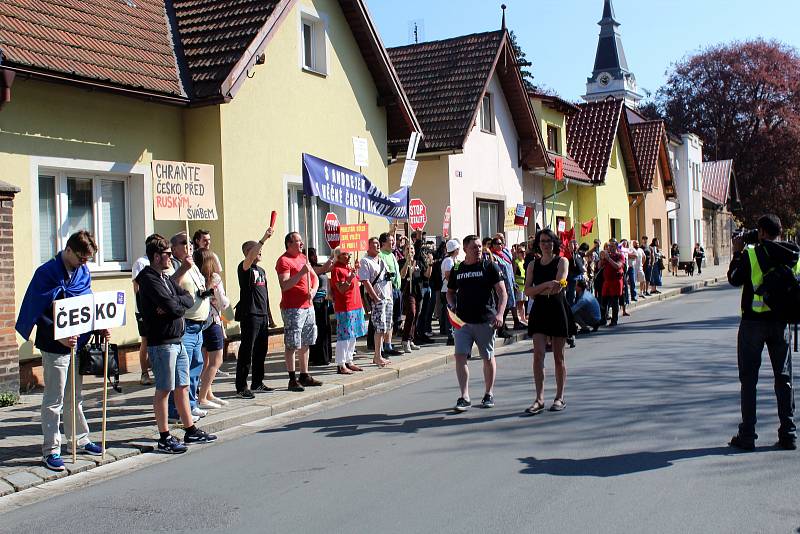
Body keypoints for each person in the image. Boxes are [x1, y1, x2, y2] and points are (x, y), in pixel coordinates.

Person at [16, 231, 108, 470]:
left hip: (77, 344)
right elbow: (39, 313)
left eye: (87, 260)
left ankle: (78, 439)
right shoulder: (46, 273)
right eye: (81, 258)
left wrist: (98, 326)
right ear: (68, 250)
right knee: (53, 399)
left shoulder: (82, 272)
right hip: (54, 346)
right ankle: (51, 449)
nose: (84, 264)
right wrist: (60, 335)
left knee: (74, 397)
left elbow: (86, 303)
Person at [136, 235, 217, 453]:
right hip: (162, 342)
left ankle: (190, 429)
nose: (172, 258)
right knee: (164, 388)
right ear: (156, 256)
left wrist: (174, 304)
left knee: (183, 385)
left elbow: (187, 298)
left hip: (176, 339)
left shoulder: (165, 278)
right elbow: (172, 306)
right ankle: (164, 436)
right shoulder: (149, 278)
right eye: (168, 255)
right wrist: (174, 305)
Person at [727, 214, 797, 451]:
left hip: (753, 324)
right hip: (781, 323)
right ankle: (788, 433)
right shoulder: (793, 255)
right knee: (784, 378)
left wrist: (737, 252)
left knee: (749, 380)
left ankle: (748, 434)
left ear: (763, 233)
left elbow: (734, 279)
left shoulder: (752, 254)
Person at [447, 235, 507, 412]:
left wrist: (500, 314)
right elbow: (450, 292)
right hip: (462, 321)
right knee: (460, 356)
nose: (478, 249)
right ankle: (464, 396)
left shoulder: (489, 266)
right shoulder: (458, 269)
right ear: (465, 249)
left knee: (487, 357)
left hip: (485, 320)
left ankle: (488, 393)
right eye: (474, 247)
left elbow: (503, 293)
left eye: (480, 246)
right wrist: (452, 305)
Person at [524, 228, 574, 415]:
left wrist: (540, 289)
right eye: (542, 241)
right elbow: (528, 291)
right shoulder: (532, 265)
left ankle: (559, 397)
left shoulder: (562, 261)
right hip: (539, 312)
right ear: (538, 243)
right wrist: (545, 285)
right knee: (538, 355)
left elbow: (559, 286)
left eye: (549, 241)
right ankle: (539, 399)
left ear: (554, 243)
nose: (545, 244)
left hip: (557, 309)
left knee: (558, 356)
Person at [167, 233, 210, 421]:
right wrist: (184, 268)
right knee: (180, 372)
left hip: (199, 325)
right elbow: (169, 287)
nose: (188, 246)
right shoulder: (173, 265)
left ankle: (190, 404)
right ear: (174, 248)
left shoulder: (193, 265)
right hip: (186, 324)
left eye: (190, 243)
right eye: (183, 243)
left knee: (195, 368)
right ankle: (176, 410)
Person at [276, 232, 323, 391]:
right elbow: (285, 285)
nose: (302, 244)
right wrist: (301, 273)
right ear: (289, 244)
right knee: (292, 343)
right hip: (293, 308)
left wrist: (314, 290)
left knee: (306, 341)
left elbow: (315, 278)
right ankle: (291, 378)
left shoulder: (303, 258)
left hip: (308, 305)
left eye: (302, 241)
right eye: (298, 241)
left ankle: (304, 374)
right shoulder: (284, 261)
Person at [235, 224, 274, 399]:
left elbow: (265, 294)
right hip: (249, 315)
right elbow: (250, 257)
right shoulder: (244, 268)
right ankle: (241, 386)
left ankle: (257, 382)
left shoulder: (262, 271)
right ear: (248, 252)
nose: (260, 252)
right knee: (247, 351)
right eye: (256, 250)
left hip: (262, 315)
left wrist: (270, 316)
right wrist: (263, 239)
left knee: (261, 350)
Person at [195, 247, 230, 409]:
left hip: (201, 322)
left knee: (206, 361)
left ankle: (208, 393)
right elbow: (223, 302)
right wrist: (225, 303)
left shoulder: (196, 277)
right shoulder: (214, 278)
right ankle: (202, 397)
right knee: (216, 361)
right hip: (213, 321)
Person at [330, 247, 367, 374]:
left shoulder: (349, 268)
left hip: (356, 305)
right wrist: (349, 279)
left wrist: (356, 271)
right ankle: (341, 364)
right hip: (345, 306)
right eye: (345, 254)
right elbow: (340, 289)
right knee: (344, 336)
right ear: (338, 256)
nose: (349, 256)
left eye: (349, 254)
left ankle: (349, 360)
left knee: (353, 335)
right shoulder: (336, 269)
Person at [132, 234, 161, 386]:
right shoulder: (141, 263)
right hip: (143, 309)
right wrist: (143, 309)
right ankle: (144, 372)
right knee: (146, 340)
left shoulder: (161, 262)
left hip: (159, 309)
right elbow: (136, 289)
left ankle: (157, 369)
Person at [359, 237, 393, 367]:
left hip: (387, 298)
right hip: (378, 299)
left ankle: (380, 354)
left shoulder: (382, 260)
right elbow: (365, 281)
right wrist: (375, 298)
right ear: (368, 246)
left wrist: (389, 296)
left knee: (385, 327)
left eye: (378, 243)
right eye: (374, 243)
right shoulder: (365, 261)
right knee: (379, 327)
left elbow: (387, 279)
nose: (378, 245)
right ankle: (377, 356)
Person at [308, 248, 334, 366]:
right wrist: (332, 256)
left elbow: (330, 268)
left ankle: (326, 355)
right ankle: (318, 357)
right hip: (316, 302)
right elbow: (324, 269)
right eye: (312, 255)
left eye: (316, 254)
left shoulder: (319, 267)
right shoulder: (311, 269)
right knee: (319, 329)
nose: (315, 257)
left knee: (326, 329)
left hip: (324, 301)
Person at [378, 233, 403, 356]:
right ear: (383, 243)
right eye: (390, 241)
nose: (393, 243)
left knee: (392, 320)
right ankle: (381, 346)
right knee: (385, 320)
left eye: (393, 240)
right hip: (388, 290)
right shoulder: (380, 255)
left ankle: (388, 344)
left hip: (396, 289)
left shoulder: (392, 255)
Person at [398, 240, 420, 352]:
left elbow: (425, 275)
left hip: (418, 291)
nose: (410, 251)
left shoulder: (418, 262)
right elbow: (402, 275)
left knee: (416, 316)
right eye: (407, 249)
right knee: (411, 313)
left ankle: (411, 339)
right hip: (408, 292)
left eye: (411, 249)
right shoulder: (401, 261)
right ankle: (405, 340)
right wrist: (407, 262)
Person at [440, 239, 460, 345]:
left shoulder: (454, 260)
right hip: (447, 290)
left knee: (453, 313)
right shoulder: (448, 261)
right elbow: (448, 276)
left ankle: (453, 333)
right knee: (450, 313)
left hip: (452, 290)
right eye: (458, 248)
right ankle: (450, 336)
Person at [513, 247, 528, 326]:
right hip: (518, 286)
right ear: (517, 253)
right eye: (521, 252)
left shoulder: (524, 262)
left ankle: (523, 318)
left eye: (524, 251)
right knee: (518, 303)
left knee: (523, 302)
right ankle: (519, 318)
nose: (523, 253)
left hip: (524, 285)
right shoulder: (516, 262)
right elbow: (514, 274)